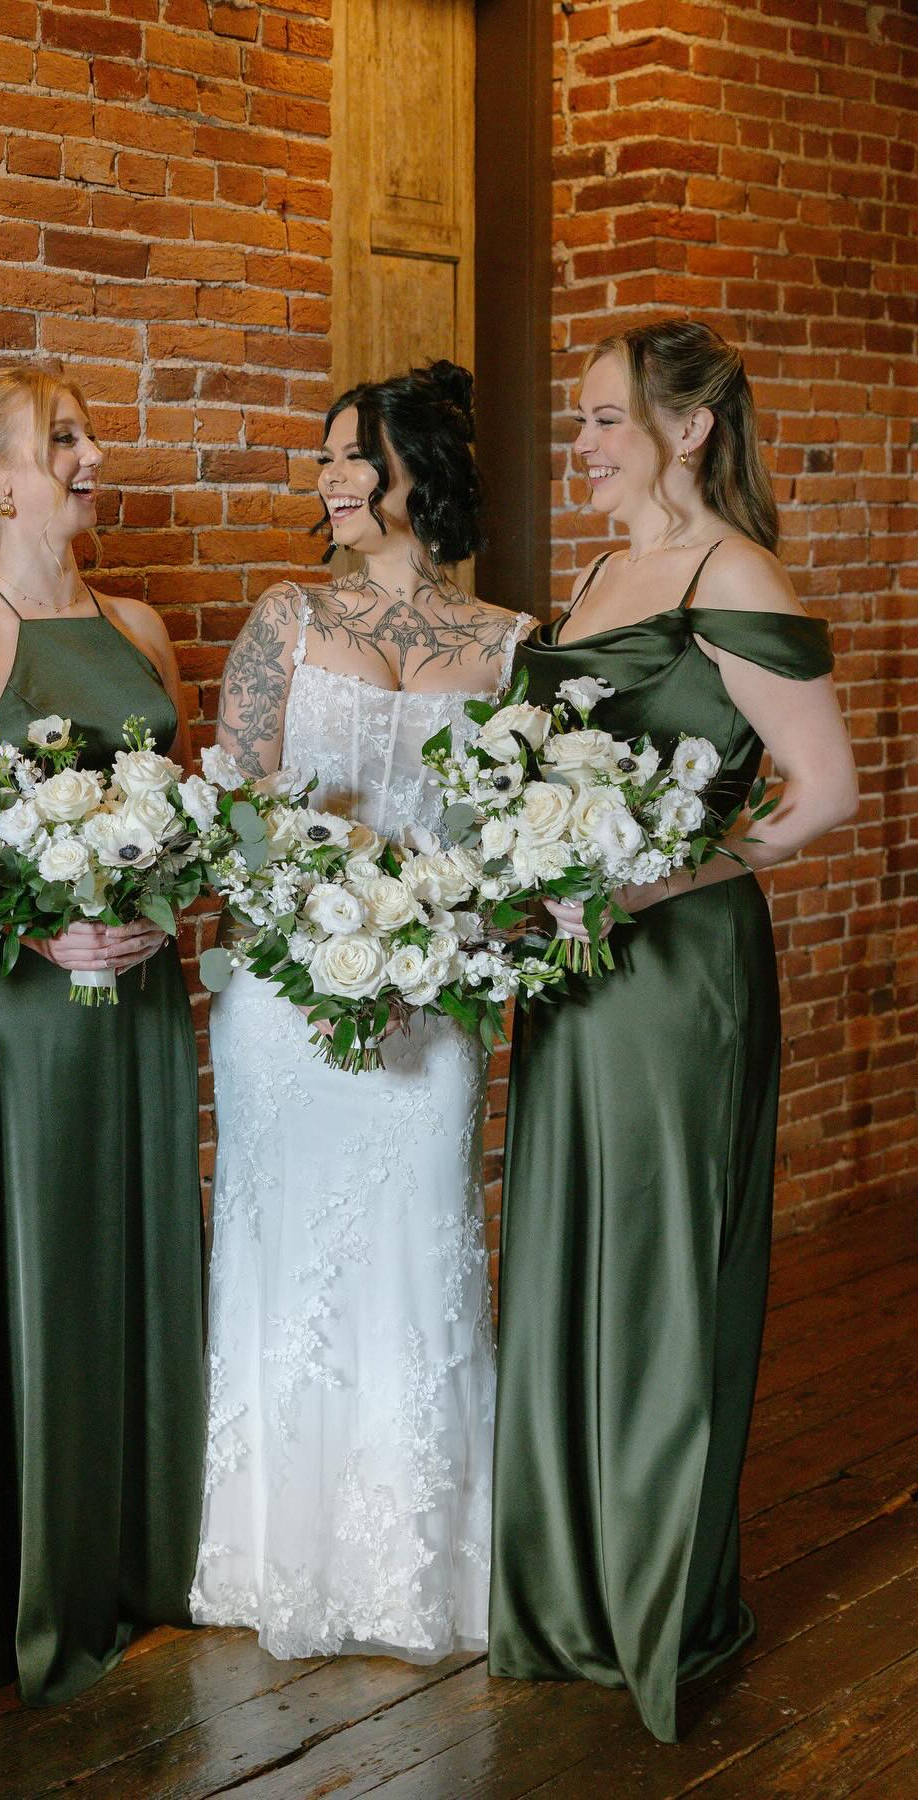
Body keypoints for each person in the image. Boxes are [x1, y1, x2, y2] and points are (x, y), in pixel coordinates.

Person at [488, 319, 858, 1741]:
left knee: (659, 1265)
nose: (577, 444)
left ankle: (657, 1591)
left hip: (675, 970)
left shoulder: (733, 574)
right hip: (575, 972)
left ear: (685, 429)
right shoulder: (590, 578)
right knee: (572, 1242)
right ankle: (568, 1582)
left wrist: (669, 873)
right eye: (578, 422)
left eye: (597, 421)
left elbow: (822, 791)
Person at [190, 361, 533, 1660]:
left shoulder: (511, 645)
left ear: (419, 474)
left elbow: (513, 850)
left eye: (352, 457)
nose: (329, 479)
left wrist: (439, 925)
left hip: (434, 1001)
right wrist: (324, 903)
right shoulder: (285, 620)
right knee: (288, 1273)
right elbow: (233, 815)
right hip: (289, 999)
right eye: (324, 458)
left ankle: (416, 1567)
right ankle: (272, 1556)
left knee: (420, 1253)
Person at [0, 363, 204, 1707]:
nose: (90, 454)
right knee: (46, 1262)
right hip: (25, 1012)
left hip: (136, 1004)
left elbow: (189, 818)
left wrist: (163, 912)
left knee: (135, 1252)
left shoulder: (138, 624)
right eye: (59, 438)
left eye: (86, 433)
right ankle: (34, 1576)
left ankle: (145, 1558)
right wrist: (41, 922)